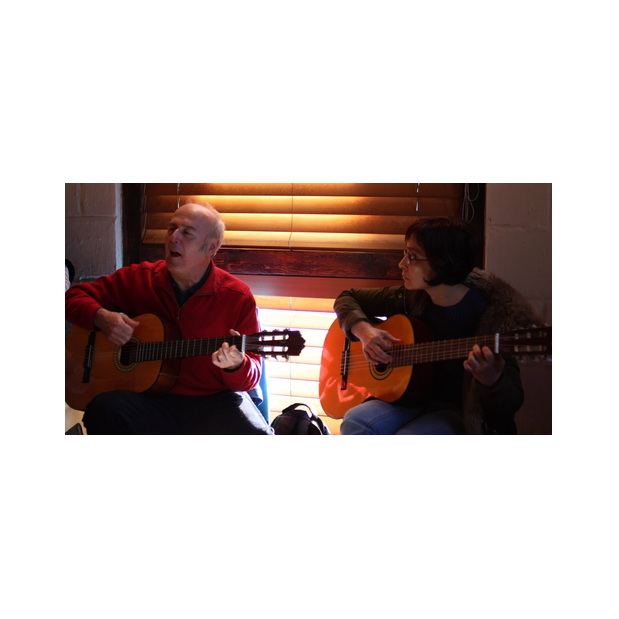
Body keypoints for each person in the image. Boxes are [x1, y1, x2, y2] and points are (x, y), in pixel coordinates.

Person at [64, 202, 273, 435]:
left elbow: (251, 375)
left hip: (213, 401)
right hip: (150, 399)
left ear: (211, 247)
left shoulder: (237, 296)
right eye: (171, 229)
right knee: (102, 410)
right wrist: (100, 317)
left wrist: (236, 366)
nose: (174, 238)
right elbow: (72, 297)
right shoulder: (141, 277)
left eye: (187, 233)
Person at [334, 217, 542, 435]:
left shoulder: (493, 318)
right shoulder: (410, 297)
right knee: (355, 421)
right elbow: (347, 298)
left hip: (455, 411)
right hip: (407, 399)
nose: (402, 263)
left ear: (443, 263)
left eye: (412, 257)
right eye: (405, 253)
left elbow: (510, 404)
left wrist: (492, 381)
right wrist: (364, 332)